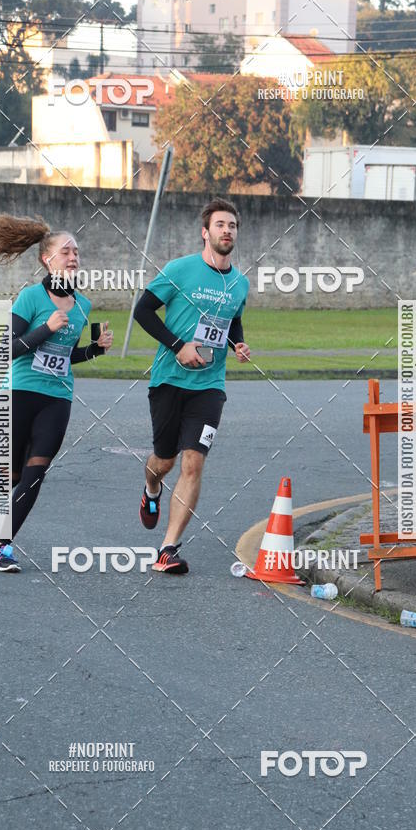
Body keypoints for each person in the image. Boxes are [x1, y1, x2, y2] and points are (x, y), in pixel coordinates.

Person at [0, 213, 113, 572]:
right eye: (66, 251)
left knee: (36, 474)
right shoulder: (31, 297)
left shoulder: (83, 306)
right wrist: (45, 328)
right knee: (13, 476)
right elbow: (5, 349)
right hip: (19, 392)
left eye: (77, 252)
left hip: (58, 398)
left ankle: (2, 547)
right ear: (47, 259)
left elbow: (66, 357)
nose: (74, 257)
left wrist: (95, 349)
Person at [133, 198, 250, 574]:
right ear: (206, 232)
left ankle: (168, 548)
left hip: (210, 385)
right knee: (164, 461)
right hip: (169, 379)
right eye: (220, 225)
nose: (227, 230)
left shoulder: (240, 282)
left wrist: (239, 344)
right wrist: (178, 346)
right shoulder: (179, 270)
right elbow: (143, 311)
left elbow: (232, 322)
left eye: (232, 225)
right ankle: (152, 489)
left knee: (193, 462)